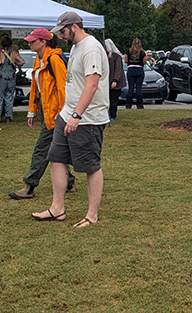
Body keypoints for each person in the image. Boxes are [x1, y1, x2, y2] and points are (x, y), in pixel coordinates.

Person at [32, 12, 109, 228]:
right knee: (56, 158)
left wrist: (76, 115)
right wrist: (66, 113)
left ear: (74, 27)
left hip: (87, 119)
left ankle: (92, 215)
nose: (62, 37)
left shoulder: (91, 48)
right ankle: (57, 209)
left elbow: (92, 85)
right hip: (66, 115)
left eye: (64, 32)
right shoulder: (76, 47)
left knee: (90, 165)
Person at [9, 28, 76, 199]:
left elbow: (63, 88)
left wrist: (62, 112)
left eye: (32, 41)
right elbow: (35, 89)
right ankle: (69, 183)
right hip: (48, 114)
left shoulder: (53, 60)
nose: (29, 43)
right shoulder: (40, 61)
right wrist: (32, 111)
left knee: (41, 149)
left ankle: (29, 186)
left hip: (54, 114)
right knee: (57, 148)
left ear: (43, 42)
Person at [0, 33, 26, 124]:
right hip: (11, 77)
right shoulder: (14, 53)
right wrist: (15, 63)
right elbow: (23, 61)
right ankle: (8, 116)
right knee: (9, 97)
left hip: (1, 78)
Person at [104, 39, 126, 122]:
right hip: (107, 81)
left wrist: (115, 80)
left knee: (113, 100)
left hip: (115, 82)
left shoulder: (117, 57)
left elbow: (118, 69)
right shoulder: (105, 56)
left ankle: (113, 115)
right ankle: (107, 114)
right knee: (107, 100)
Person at [124, 38, 149, 109]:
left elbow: (125, 60)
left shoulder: (129, 51)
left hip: (131, 69)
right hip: (139, 69)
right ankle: (139, 105)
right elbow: (144, 62)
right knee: (139, 88)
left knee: (131, 88)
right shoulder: (142, 52)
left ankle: (128, 104)